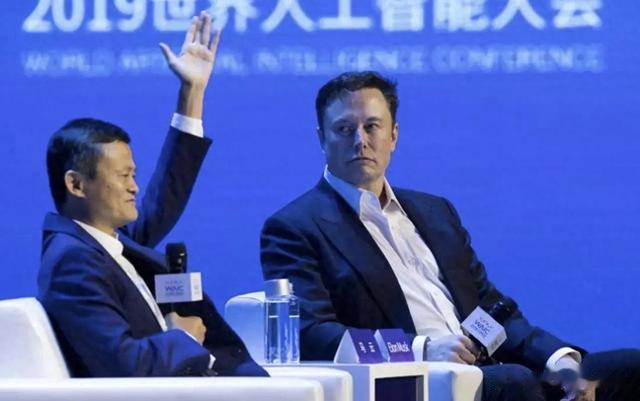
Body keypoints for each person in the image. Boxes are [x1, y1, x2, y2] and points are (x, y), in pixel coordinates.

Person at [260, 71, 639, 400]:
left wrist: (558, 359)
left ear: (394, 135)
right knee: (513, 382)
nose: (360, 140)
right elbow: (314, 334)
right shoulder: (295, 227)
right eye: (344, 129)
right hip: (412, 382)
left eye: (372, 126)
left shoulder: (434, 211)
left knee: (625, 369)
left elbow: (489, 311)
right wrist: (422, 350)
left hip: (490, 371)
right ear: (321, 139)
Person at [39, 11, 266, 377]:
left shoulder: (105, 242)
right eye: (123, 176)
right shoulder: (73, 261)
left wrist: (192, 92)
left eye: (134, 174)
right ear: (76, 185)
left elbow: (165, 196)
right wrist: (181, 338)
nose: (135, 186)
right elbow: (123, 365)